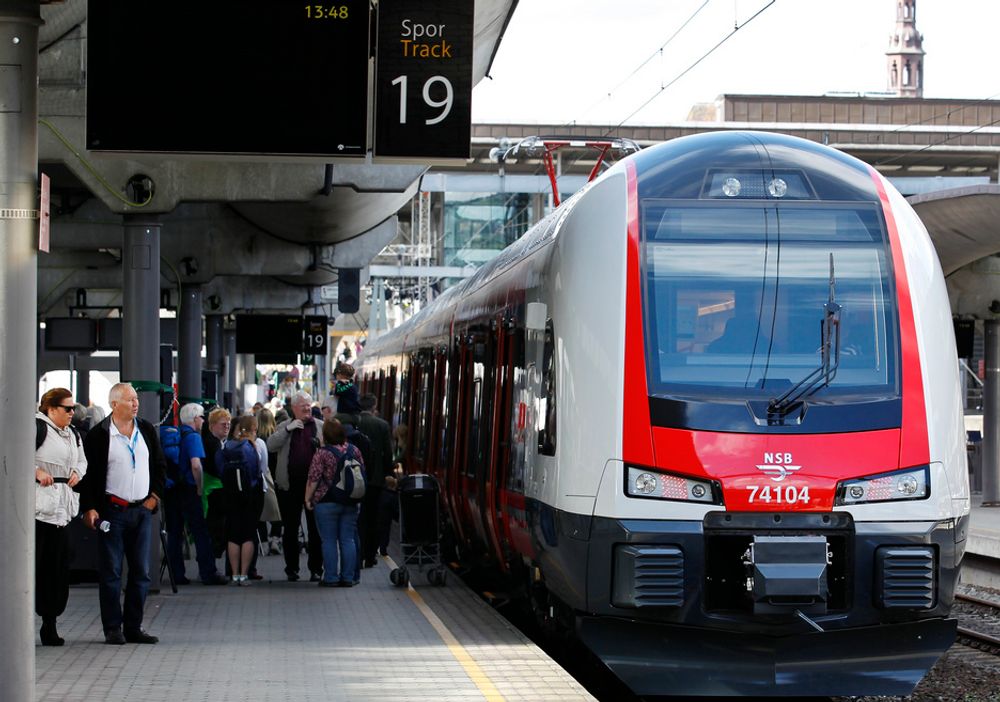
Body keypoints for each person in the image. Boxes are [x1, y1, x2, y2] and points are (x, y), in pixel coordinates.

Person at [80, 383, 165, 645]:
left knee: (141, 572)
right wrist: (90, 507)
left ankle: (134, 626)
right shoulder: (98, 435)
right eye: (129, 400)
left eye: (136, 399)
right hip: (112, 511)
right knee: (112, 572)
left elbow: (160, 466)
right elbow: (90, 475)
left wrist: (155, 497)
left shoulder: (147, 430)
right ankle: (113, 628)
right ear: (114, 404)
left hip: (141, 510)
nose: (135, 403)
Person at [34, 388, 87, 646]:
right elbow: (12, 453)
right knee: (37, 567)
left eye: (73, 408)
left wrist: (77, 471)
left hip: (63, 509)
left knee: (57, 570)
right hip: (39, 509)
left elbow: (82, 461)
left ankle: (50, 622)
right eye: (67, 408)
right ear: (51, 409)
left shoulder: (73, 434)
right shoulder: (37, 429)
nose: (72, 413)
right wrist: (36, 471)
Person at [163, 403, 227, 586]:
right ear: (195, 418)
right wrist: (199, 486)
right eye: (201, 417)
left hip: (172, 489)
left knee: (174, 533)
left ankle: (177, 574)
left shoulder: (175, 434)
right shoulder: (193, 437)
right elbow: (196, 465)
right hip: (189, 490)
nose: (203, 421)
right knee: (200, 531)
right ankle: (208, 572)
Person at [267, 391, 325, 581]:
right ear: (293, 409)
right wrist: (288, 429)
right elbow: (270, 445)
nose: (307, 409)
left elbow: (330, 450)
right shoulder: (285, 425)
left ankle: (316, 568)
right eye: (303, 406)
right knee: (290, 529)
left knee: (315, 529)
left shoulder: (320, 426)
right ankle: (292, 568)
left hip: (314, 487)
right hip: (289, 486)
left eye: (309, 406)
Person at [305, 419, 364, 587]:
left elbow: (314, 478)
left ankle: (331, 577)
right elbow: (361, 473)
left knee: (329, 540)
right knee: (348, 540)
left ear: (325, 435)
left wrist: (308, 499)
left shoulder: (322, 453)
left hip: (326, 501)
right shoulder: (354, 450)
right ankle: (348, 577)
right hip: (350, 501)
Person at [217, 416, 266, 585]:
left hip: (230, 495)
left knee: (232, 536)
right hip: (249, 495)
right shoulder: (254, 446)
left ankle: (234, 573)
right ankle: (244, 575)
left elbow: (220, 468)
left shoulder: (227, 445)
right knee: (247, 536)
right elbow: (260, 471)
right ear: (254, 428)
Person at [354, 393, 394, 567]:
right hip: (375, 480)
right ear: (373, 406)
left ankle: (358, 553)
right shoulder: (382, 425)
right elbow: (388, 453)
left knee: (357, 518)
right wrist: (388, 473)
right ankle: (370, 555)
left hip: (355, 479)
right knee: (373, 518)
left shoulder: (353, 424)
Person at [201, 407, 231, 561]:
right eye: (223, 424)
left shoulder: (216, 442)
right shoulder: (213, 444)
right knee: (215, 530)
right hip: (214, 492)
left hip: (213, 491)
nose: (227, 426)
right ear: (212, 426)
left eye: (228, 424)